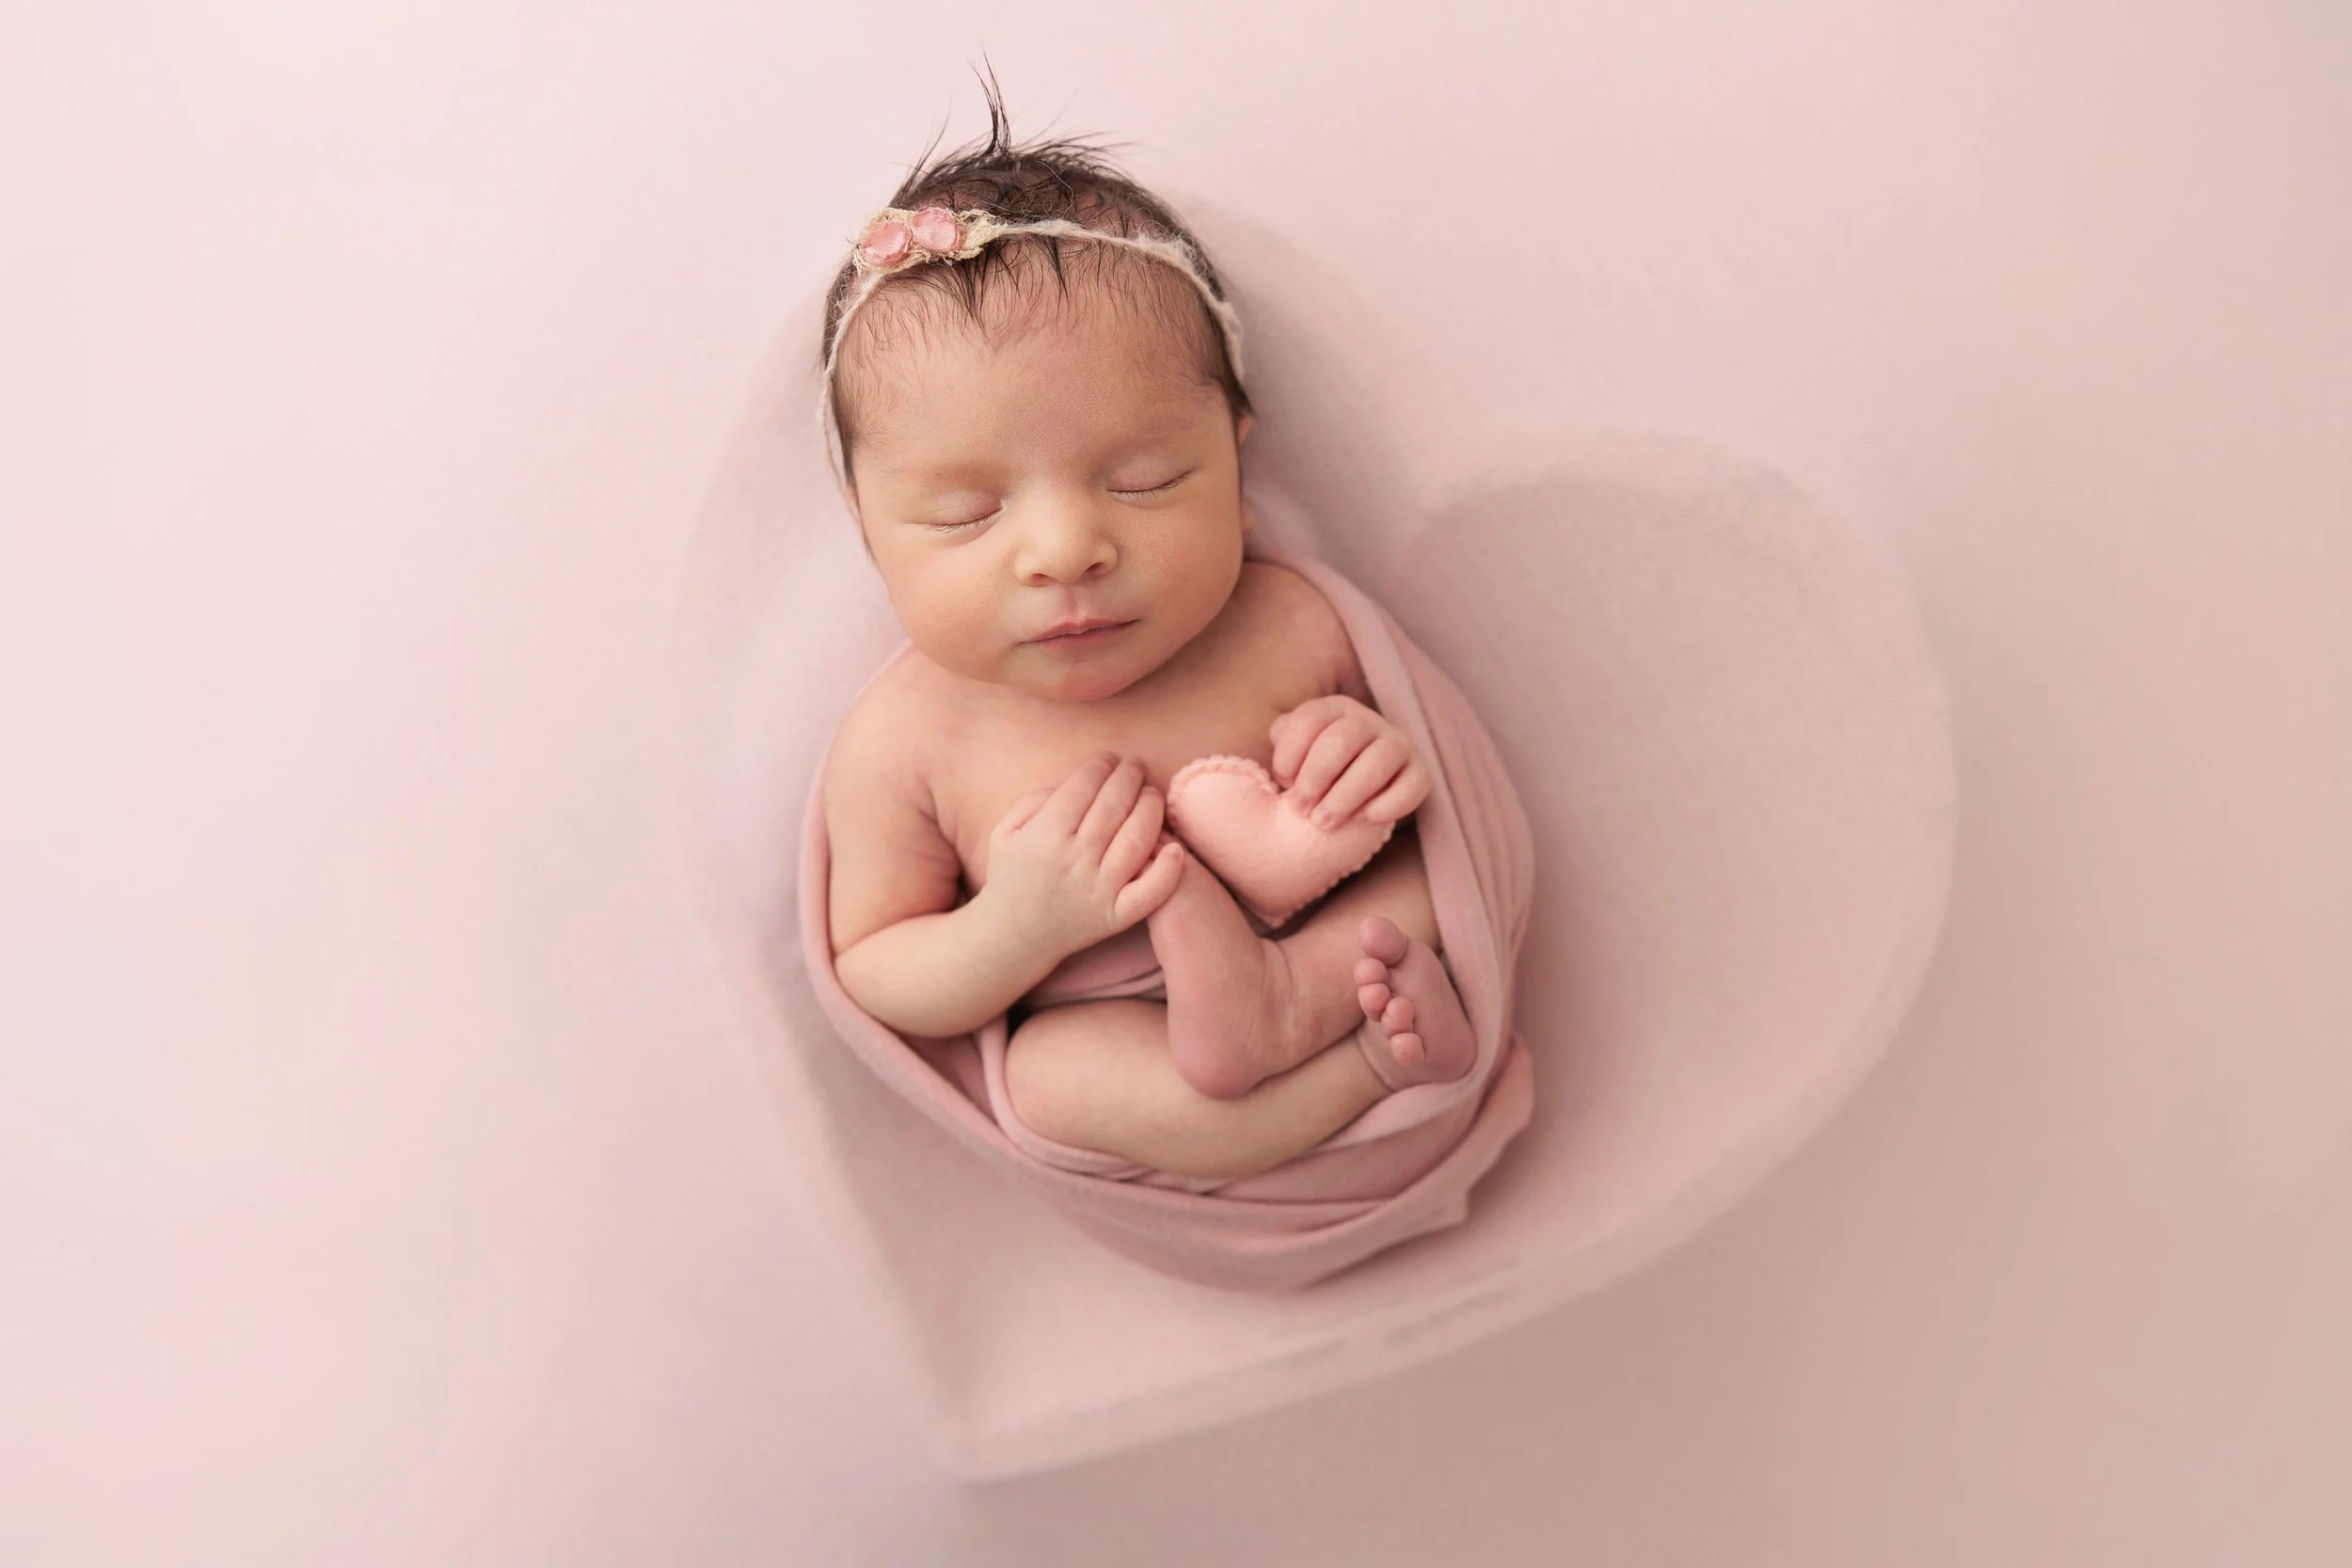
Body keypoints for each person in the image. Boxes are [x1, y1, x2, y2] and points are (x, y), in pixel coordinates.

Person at [818, 90, 1478, 1182]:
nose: (1064, 550)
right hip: (1155, 1041)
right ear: (868, 532)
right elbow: (876, 962)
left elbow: (1456, 821)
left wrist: (1368, 765)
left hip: (1342, 950)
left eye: (1144, 480)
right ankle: (1360, 1071)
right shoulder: (904, 743)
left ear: (1238, 465)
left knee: (1427, 886)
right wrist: (1017, 928)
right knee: (1051, 1079)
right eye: (963, 514)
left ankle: (1295, 1000)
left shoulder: (1287, 624)